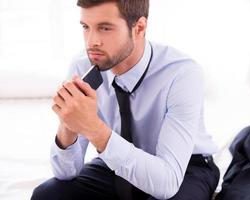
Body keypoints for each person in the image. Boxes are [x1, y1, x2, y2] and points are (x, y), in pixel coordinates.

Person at [31, 0, 220, 199]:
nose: (91, 41)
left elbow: (167, 182)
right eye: (86, 27)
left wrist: (94, 129)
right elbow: (66, 173)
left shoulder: (182, 73)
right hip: (116, 160)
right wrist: (68, 126)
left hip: (183, 167)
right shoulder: (82, 66)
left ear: (139, 27)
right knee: (46, 195)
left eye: (105, 28)